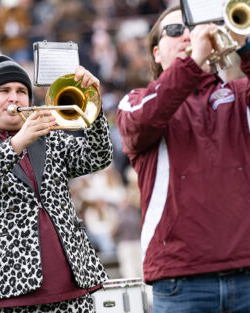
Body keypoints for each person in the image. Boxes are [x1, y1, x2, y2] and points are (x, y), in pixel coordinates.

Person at [0, 53, 113, 312]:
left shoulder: (50, 139)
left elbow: (98, 157)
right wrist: (16, 144)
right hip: (3, 290)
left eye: (21, 91)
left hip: (71, 287)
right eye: (3, 90)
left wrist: (95, 109)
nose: (14, 97)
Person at [116, 5, 250, 313]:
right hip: (181, 280)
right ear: (156, 53)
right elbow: (144, 120)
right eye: (175, 30)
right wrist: (192, 62)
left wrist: (245, 46)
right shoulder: (133, 102)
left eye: (197, 27)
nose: (189, 34)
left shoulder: (240, 95)